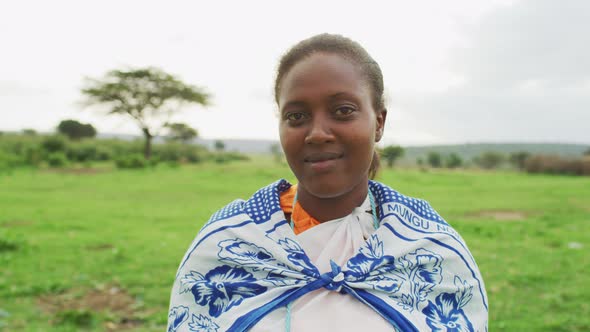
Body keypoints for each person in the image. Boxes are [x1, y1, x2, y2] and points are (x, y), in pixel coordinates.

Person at [168, 34, 488, 332]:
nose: (317, 133)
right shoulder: (229, 243)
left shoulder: (429, 249)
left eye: (343, 110)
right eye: (296, 116)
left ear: (378, 122)